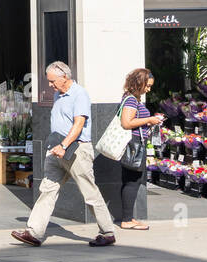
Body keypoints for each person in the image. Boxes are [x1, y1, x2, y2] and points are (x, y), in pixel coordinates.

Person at [11, 61, 116, 248]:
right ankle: (34, 232)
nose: (50, 85)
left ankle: (107, 232)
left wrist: (64, 145)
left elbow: (79, 123)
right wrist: (56, 146)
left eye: (52, 81)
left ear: (64, 77)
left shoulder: (79, 94)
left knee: (89, 192)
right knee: (47, 189)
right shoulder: (59, 94)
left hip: (76, 150)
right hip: (56, 149)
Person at [118, 68, 165, 230]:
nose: (148, 89)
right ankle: (127, 219)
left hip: (135, 142)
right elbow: (126, 123)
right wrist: (149, 120)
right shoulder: (131, 100)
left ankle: (128, 217)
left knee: (132, 179)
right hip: (134, 144)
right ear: (139, 83)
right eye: (147, 85)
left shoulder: (132, 99)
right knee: (132, 180)